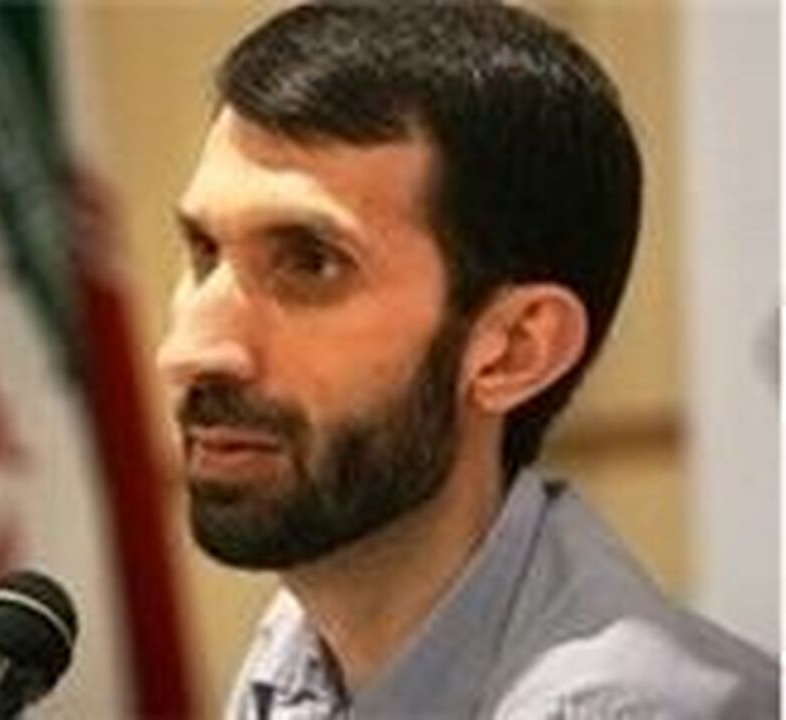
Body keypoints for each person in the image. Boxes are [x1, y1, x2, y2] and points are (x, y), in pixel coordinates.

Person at [155, 1, 779, 717]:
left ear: (513, 351)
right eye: (205, 252)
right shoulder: (298, 648)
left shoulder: (623, 707)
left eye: (311, 262)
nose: (188, 351)